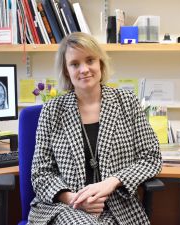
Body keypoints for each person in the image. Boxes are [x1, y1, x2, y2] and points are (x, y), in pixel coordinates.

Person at [28, 32, 162, 225]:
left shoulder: (126, 103)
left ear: (100, 63)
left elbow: (151, 157)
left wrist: (112, 181)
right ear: (66, 71)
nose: (84, 69)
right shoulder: (52, 110)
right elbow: (40, 172)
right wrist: (76, 200)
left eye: (90, 60)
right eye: (75, 64)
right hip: (66, 207)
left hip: (117, 207)